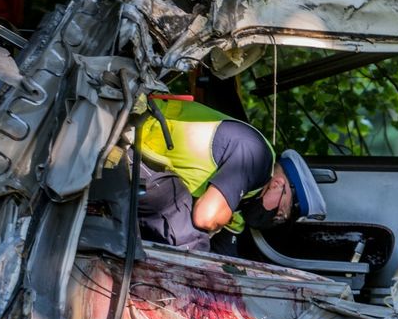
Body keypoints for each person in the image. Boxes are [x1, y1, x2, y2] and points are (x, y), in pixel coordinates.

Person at [133, 98, 325, 253]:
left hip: (147, 162)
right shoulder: (258, 158)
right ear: (278, 184)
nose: (275, 218)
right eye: (281, 211)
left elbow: (226, 253)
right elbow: (205, 217)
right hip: (134, 142)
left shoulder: (245, 198)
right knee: (192, 244)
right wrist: (219, 220)